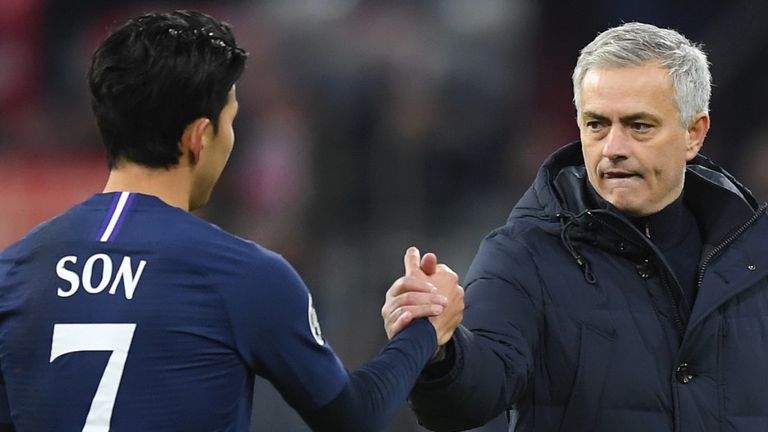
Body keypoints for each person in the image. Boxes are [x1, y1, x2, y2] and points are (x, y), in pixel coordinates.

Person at [0, 10, 463, 432]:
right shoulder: (244, 274)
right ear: (200, 137)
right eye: (231, 120)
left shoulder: (15, 270)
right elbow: (352, 417)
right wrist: (424, 330)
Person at [383, 22, 768, 431]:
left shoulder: (754, 257)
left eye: (639, 126)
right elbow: (471, 395)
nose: (614, 149)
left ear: (694, 133)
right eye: (597, 125)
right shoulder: (524, 254)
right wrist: (440, 349)